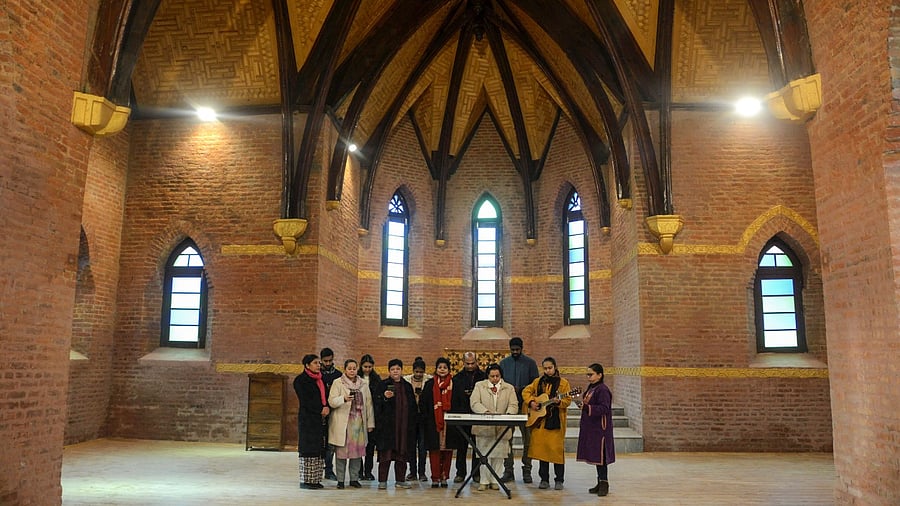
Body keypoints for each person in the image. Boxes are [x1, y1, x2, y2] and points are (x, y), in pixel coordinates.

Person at [522, 356, 572, 491]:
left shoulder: (563, 383)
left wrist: (559, 402)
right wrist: (532, 402)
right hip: (540, 423)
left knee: (556, 452)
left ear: (555, 367)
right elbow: (525, 392)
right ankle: (544, 479)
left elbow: (567, 400)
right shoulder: (538, 382)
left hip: (556, 423)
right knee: (542, 452)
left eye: (550, 368)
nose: (548, 371)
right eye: (545, 368)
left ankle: (559, 480)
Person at [469, 363, 518, 491]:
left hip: (502, 426)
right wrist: (485, 411)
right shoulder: (479, 386)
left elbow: (514, 404)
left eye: (497, 376)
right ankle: (484, 481)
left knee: (499, 455)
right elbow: (474, 402)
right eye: (492, 376)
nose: (495, 378)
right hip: (484, 426)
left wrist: (507, 415)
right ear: (488, 376)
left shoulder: (509, 388)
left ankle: (495, 479)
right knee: (484, 454)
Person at [327, 358, 374, 489]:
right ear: (345, 369)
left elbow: (369, 405)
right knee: (341, 453)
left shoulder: (363, 384)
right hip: (343, 423)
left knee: (357, 453)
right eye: (349, 368)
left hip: (358, 422)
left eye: (354, 368)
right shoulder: (338, 382)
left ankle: (354, 478)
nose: (352, 371)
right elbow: (331, 401)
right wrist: (343, 398)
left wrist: (370, 423)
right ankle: (340, 480)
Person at [498, 336, 539, 483]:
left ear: (522, 349)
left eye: (517, 349)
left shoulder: (530, 363)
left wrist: (521, 390)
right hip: (508, 406)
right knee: (507, 438)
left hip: (525, 407)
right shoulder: (503, 363)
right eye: (512, 349)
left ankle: (527, 470)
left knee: (527, 439)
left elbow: (536, 385)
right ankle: (508, 470)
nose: (515, 352)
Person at [372, 358, 416, 490]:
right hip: (387, 428)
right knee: (386, 455)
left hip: (403, 427)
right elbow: (376, 403)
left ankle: (400, 480)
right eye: (392, 369)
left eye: (398, 369)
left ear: (402, 370)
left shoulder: (407, 386)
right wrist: (384, 397)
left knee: (402, 454)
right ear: (389, 371)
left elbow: (412, 406)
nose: (395, 371)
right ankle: (382, 481)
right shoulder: (382, 384)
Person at [576, 363, 616, 497]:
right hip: (592, 427)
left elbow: (604, 408)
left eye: (591, 374)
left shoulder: (603, 390)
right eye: (587, 374)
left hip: (601, 428)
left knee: (602, 457)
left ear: (600, 375)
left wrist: (587, 408)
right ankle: (599, 482)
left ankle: (604, 484)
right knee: (596, 457)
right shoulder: (592, 387)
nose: (588, 377)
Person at [293, 354, 330, 490]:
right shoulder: (300, 380)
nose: (318, 365)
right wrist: (320, 409)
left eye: (319, 363)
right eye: (315, 363)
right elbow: (305, 400)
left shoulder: (321, 379)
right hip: (308, 419)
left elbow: (326, 396)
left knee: (319, 449)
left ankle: (316, 479)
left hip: (321, 419)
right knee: (308, 449)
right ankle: (306, 480)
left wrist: (327, 407)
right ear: (307, 365)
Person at [451, 351, 485, 483]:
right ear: (463, 363)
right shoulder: (457, 378)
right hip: (462, 415)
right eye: (467, 363)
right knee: (461, 447)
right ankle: (460, 473)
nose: (470, 366)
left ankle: (476, 473)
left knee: (477, 447)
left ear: (477, 362)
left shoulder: (483, 377)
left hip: (478, 416)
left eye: (472, 363)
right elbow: (454, 397)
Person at [420, 357, 454, 488]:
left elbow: (458, 402)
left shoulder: (454, 384)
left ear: (449, 369)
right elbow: (423, 404)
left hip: (449, 423)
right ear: (436, 369)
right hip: (433, 423)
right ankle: (435, 477)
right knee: (434, 451)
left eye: (445, 367)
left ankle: (444, 477)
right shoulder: (430, 384)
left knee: (447, 450)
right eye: (440, 367)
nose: (442, 370)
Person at [404, 356, 432, 482]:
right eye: (417, 372)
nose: (419, 374)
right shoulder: (406, 381)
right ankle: (412, 472)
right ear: (413, 371)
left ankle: (422, 472)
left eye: (421, 372)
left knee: (422, 446)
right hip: (410, 417)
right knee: (411, 446)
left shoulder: (429, 381)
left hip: (424, 417)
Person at [320, 347, 342, 481]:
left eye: (330, 360)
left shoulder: (338, 375)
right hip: (321, 412)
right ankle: (318, 468)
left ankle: (329, 469)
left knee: (331, 443)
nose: (328, 363)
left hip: (335, 412)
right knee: (321, 443)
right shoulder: (318, 374)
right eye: (325, 361)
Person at [357, 353, 381, 481]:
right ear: (361, 366)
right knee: (359, 446)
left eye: (370, 367)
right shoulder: (356, 379)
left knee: (370, 447)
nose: (367, 369)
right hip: (358, 415)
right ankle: (359, 471)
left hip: (373, 416)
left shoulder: (377, 379)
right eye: (365, 366)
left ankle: (368, 471)